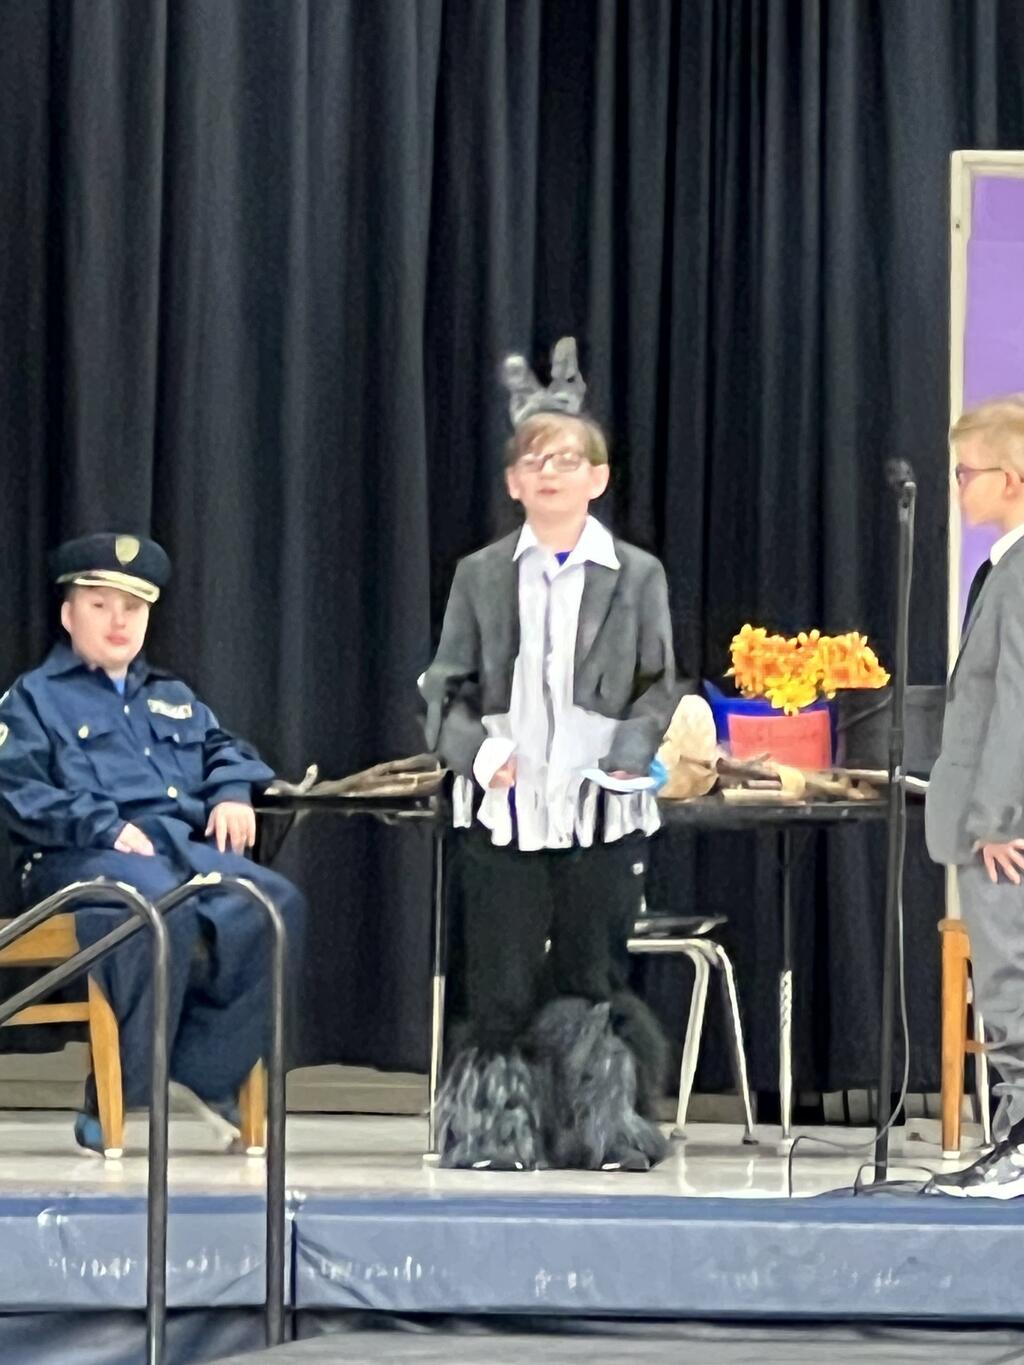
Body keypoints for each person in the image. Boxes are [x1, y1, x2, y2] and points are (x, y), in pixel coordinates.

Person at [421, 338, 677, 1171]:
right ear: (513, 482)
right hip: (504, 810)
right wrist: (474, 753)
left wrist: (630, 753)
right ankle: (493, 1128)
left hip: (600, 809)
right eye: (536, 460)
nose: (552, 472)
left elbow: (658, 686)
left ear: (597, 478)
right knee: (496, 980)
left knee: (591, 974)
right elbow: (444, 690)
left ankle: (603, 1126)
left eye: (569, 459)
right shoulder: (481, 575)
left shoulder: (637, 576)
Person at [0, 533, 305, 1154]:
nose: (119, 622)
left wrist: (232, 793)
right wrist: (104, 826)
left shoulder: (174, 697)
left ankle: (201, 1073)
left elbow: (226, 751)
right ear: (68, 615)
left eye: (133, 608)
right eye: (100, 605)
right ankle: (125, 1092)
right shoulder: (33, 698)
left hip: (175, 849)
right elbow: (18, 788)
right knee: (156, 905)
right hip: (75, 855)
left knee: (272, 905)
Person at [927, 394, 1024, 1198]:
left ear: (1012, 480)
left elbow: (1016, 704)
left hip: (1003, 828)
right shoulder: (1002, 569)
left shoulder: (1021, 575)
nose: (959, 487)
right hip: (993, 817)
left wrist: (994, 816)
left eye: (967, 473)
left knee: (1008, 982)